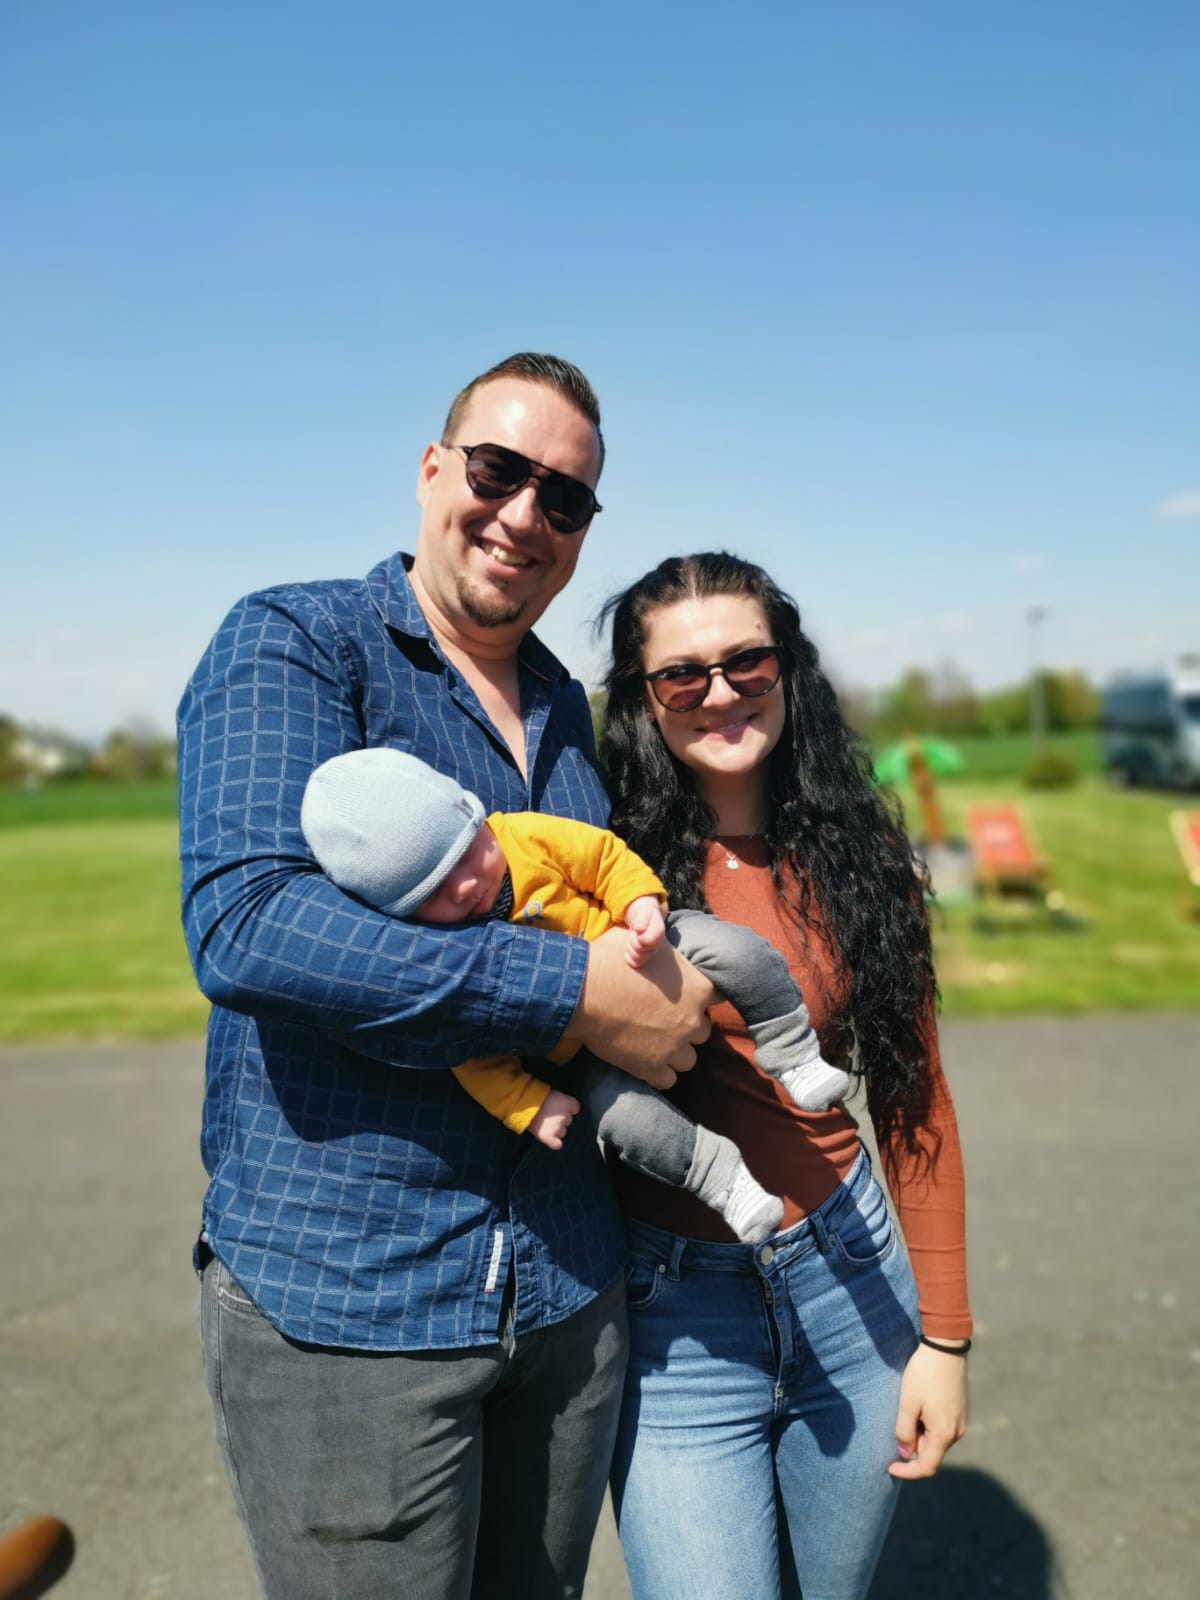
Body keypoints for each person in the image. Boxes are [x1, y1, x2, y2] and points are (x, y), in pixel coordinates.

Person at [176, 353, 716, 1600]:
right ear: (432, 470)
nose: (525, 513)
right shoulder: (297, 642)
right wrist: (574, 993)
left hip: (568, 1293)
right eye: (498, 470)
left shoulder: (569, 709)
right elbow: (253, 925)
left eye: (564, 497)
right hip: (352, 1306)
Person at [598, 552, 972, 1600]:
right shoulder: (602, 859)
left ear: (787, 667)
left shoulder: (860, 855)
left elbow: (914, 1099)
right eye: (682, 674)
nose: (720, 692)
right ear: (642, 699)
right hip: (675, 1319)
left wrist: (946, 1338)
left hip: (855, 1286)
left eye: (747, 662)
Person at [299, 745, 852, 1242]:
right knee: (626, 1125)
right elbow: (474, 1062)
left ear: (475, 817)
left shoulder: (522, 836)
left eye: (466, 854)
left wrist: (640, 903)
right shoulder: (448, 958)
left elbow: (600, 856)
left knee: (738, 950)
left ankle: (791, 1050)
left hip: (645, 941)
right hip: (586, 1057)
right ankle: (721, 1178)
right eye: (434, 892)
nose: (464, 886)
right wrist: (532, 1108)